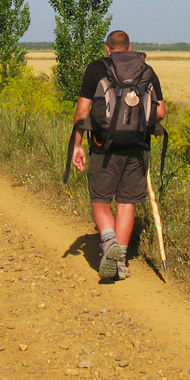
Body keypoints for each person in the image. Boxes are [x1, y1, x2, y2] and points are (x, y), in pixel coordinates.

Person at [69, 30, 166, 281]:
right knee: (126, 203)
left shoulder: (96, 69)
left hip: (104, 147)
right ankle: (120, 261)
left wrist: (77, 145)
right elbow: (161, 112)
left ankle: (109, 241)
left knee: (101, 199)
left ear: (107, 49)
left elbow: (82, 113)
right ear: (130, 47)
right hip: (137, 148)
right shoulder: (147, 70)